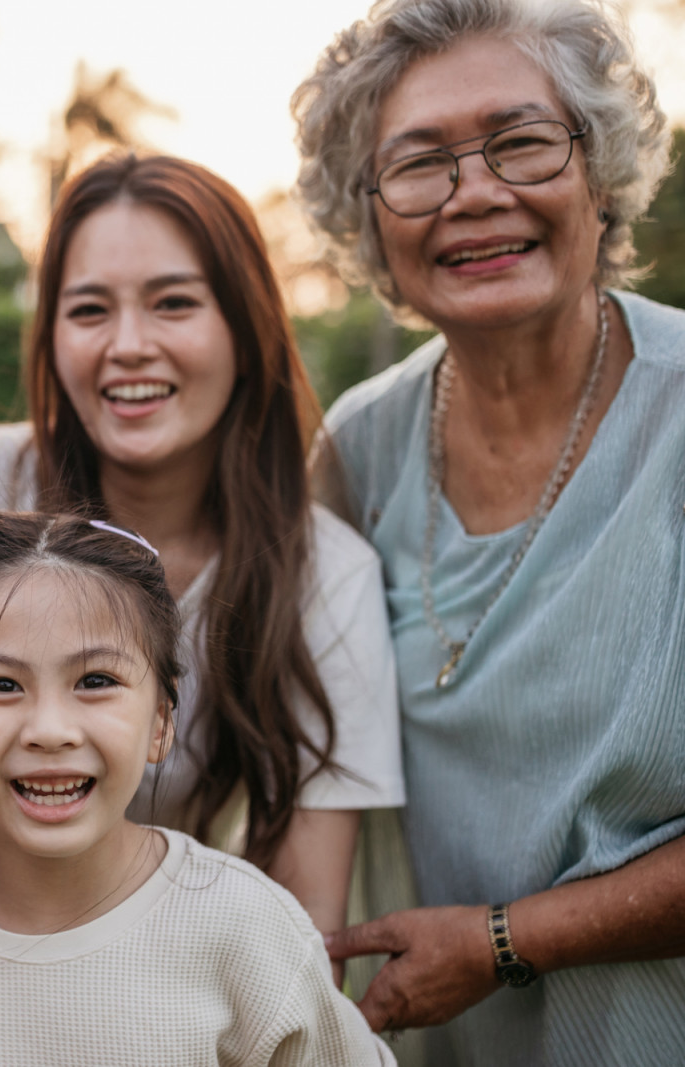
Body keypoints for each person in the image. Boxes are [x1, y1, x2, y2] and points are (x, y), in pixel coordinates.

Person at [0, 154, 405, 943]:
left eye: (173, 303)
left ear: (245, 330)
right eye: (88, 311)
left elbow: (303, 907)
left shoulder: (327, 572)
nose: (128, 345)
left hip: (170, 967)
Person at [291, 0, 685, 1061]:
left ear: (598, 177)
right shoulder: (358, 448)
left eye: (520, 143)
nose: (474, 194)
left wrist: (503, 939)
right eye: (419, 165)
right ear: (369, 219)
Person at [0, 511, 396, 1066]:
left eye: (95, 681)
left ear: (161, 718)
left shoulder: (246, 925)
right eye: (1, 684)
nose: (49, 731)